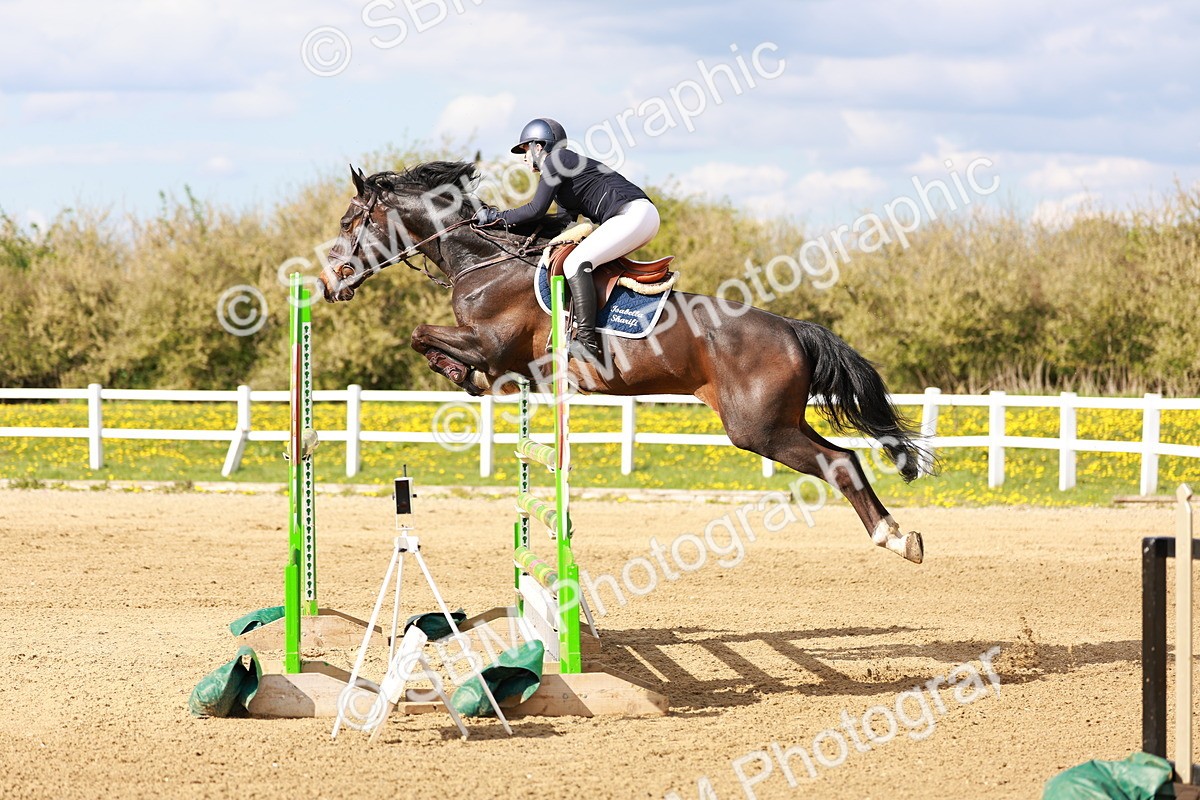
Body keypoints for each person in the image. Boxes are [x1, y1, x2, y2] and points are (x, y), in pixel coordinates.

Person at [473, 117, 660, 362]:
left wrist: (496, 217)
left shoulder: (556, 160)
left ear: (539, 146)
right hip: (637, 217)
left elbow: (535, 209)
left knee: (575, 263)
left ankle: (587, 342)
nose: (524, 157)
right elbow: (561, 225)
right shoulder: (564, 179)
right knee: (581, 261)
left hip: (632, 214)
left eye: (525, 150)